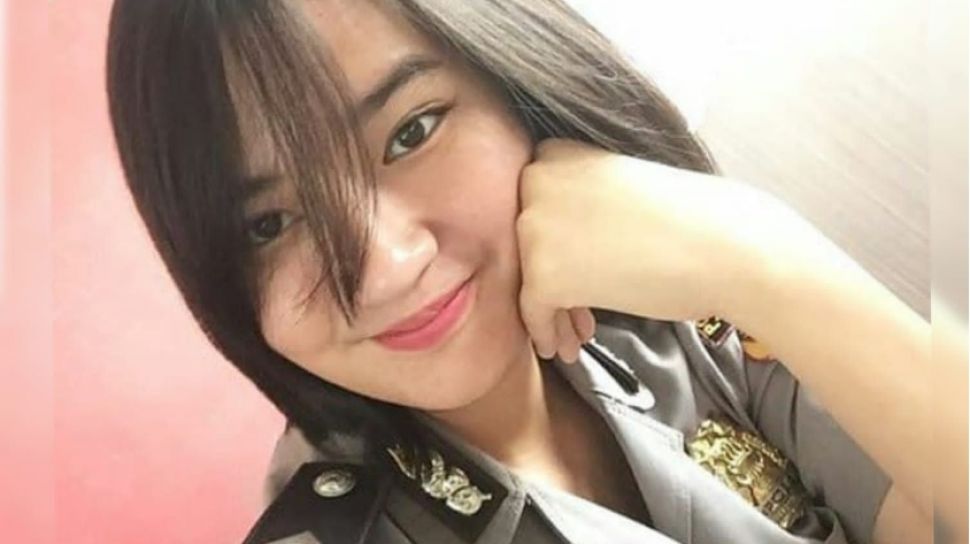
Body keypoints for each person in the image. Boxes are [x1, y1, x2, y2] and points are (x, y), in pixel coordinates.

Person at [105, 0, 935, 542]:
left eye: (413, 131)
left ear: (516, 83)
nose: (388, 268)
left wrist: (760, 259)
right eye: (270, 223)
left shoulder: (655, 318)